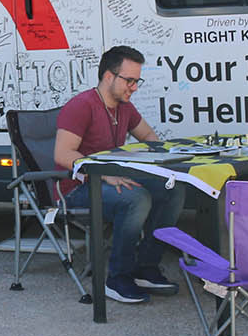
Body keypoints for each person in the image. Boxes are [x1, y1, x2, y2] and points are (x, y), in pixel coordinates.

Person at [54, 45, 187, 304]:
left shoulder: (124, 107)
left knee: (173, 188)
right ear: (108, 77)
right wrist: (103, 174)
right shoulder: (82, 105)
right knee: (136, 198)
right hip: (77, 189)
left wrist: (159, 161)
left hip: (113, 179)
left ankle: (146, 268)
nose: (134, 87)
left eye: (137, 81)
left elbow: (149, 138)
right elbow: (62, 154)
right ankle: (117, 278)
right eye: (129, 80)